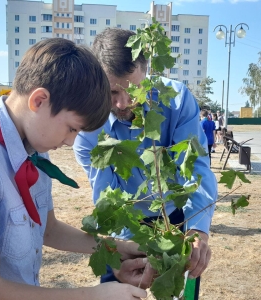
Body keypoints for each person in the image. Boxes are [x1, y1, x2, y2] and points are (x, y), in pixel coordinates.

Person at [0, 38, 148, 300]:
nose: (71, 140)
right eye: (72, 128)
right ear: (39, 101)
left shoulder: (33, 147)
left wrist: (116, 248)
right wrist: (92, 296)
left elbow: (47, 229)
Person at [73, 28, 217, 298]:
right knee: (117, 292)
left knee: (177, 291)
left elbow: (195, 167)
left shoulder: (176, 100)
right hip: (125, 222)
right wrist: (130, 248)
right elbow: (110, 200)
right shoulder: (89, 130)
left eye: (133, 90)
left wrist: (198, 229)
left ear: (146, 73)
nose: (123, 103)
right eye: (113, 91)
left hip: (176, 216)